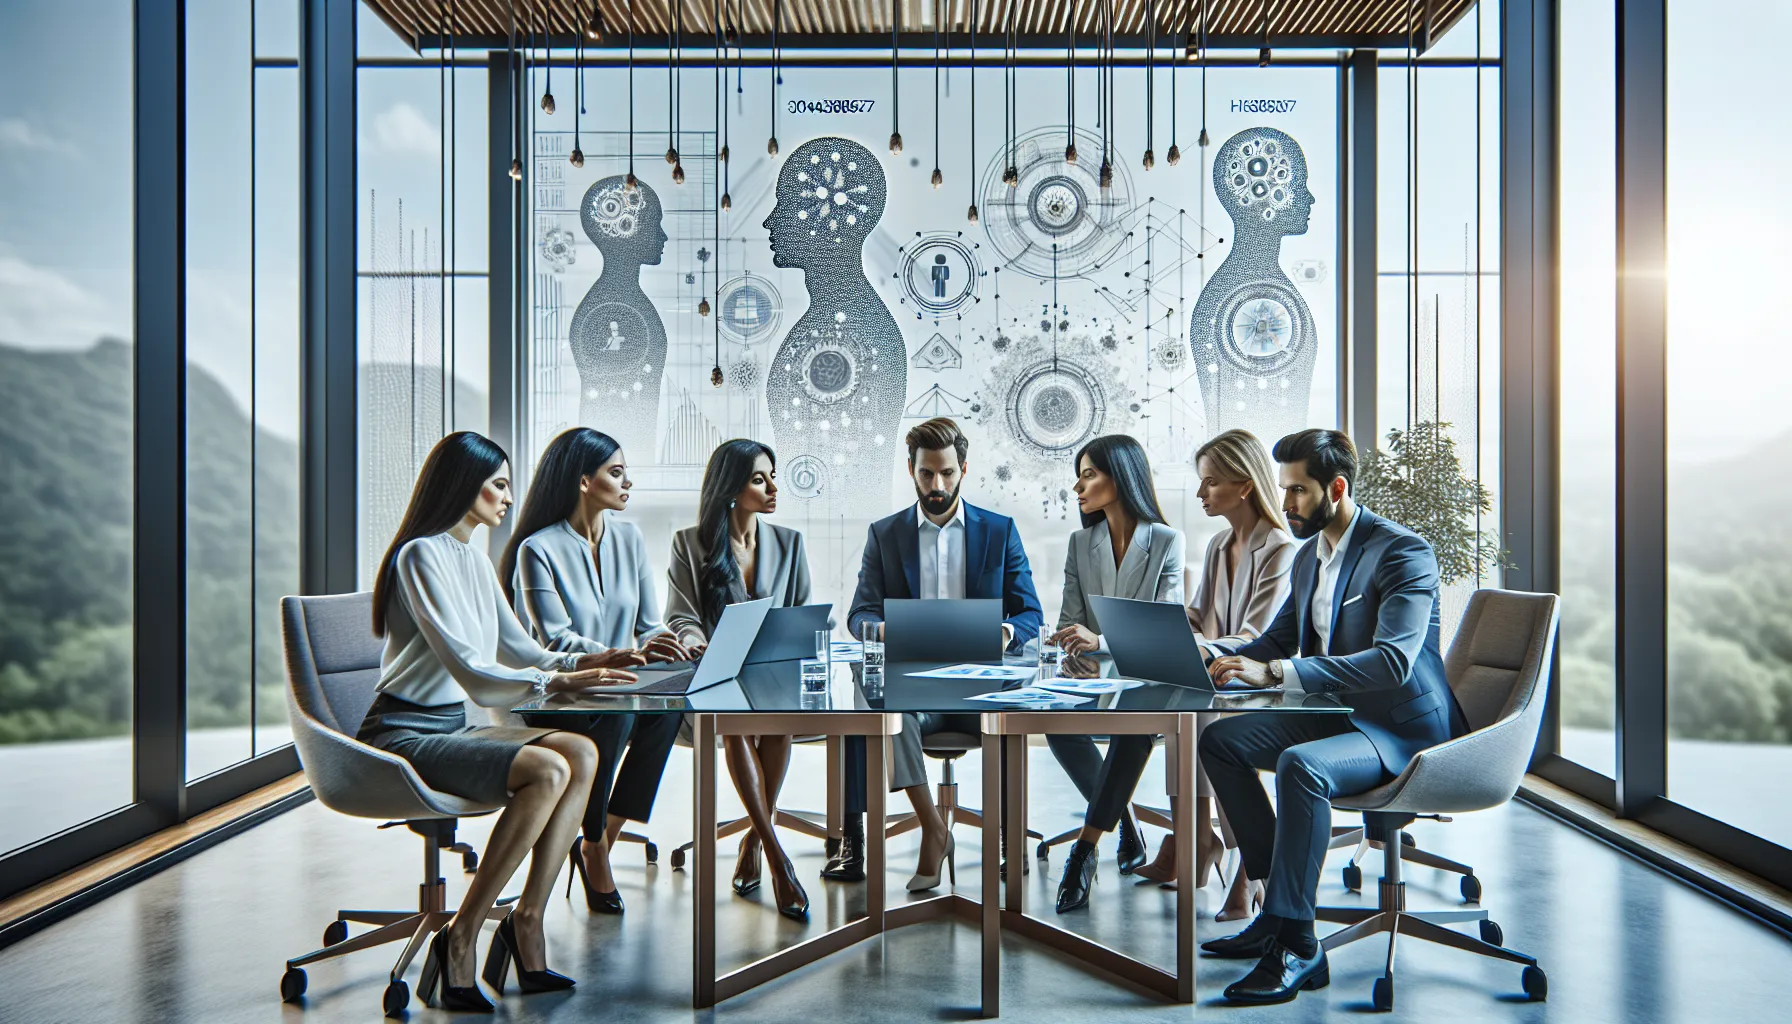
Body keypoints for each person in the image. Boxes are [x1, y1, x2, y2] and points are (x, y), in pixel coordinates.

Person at [359, 431, 635, 1011]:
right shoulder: (421, 555)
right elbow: (472, 670)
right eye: (499, 485)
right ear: (464, 486)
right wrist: (560, 682)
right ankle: (462, 932)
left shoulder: (474, 558)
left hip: (453, 726)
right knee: (547, 771)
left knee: (583, 754)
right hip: (403, 732)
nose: (510, 497)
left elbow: (520, 650)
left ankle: (525, 921)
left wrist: (586, 660)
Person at [1197, 429, 1467, 1006]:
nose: (1286, 503)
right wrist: (1214, 653)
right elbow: (1276, 640)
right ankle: (1278, 910)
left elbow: (1394, 661)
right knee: (1221, 742)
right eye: (1284, 489)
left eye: (1296, 491)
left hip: (1397, 728)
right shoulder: (1308, 558)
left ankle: (1298, 943)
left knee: (1301, 767)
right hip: (1335, 717)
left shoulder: (1401, 552)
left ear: (1336, 488)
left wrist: (1274, 676)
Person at [838, 417, 1044, 890]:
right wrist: (883, 630)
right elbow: (860, 613)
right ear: (911, 470)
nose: (937, 484)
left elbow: (1030, 611)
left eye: (947, 473)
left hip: (982, 688)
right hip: (916, 688)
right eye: (927, 474)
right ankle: (932, 825)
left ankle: (1010, 843)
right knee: (887, 709)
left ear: (964, 469)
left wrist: (1008, 634)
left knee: (1010, 717)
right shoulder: (885, 534)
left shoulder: (999, 531)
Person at [499, 427, 691, 916]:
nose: (628, 483)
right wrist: (615, 655)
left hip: (620, 683)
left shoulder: (628, 538)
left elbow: (648, 624)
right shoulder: (537, 549)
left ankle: (600, 835)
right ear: (584, 481)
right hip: (561, 692)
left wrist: (666, 641)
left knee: (669, 710)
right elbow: (554, 640)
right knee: (621, 715)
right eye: (617, 472)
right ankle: (593, 841)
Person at [1129, 429, 1297, 921]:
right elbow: (1199, 617)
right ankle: (1196, 840)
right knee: (1189, 711)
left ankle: (1241, 862)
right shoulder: (1220, 544)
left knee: (1207, 721)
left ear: (1244, 486)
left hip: (1258, 682)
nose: (1200, 493)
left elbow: (1257, 637)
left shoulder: (1280, 550)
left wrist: (1195, 649)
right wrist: (1154, 626)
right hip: (1216, 679)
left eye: (1210, 483)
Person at [665, 439, 815, 922]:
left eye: (772, 476)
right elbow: (680, 616)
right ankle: (777, 858)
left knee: (778, 720)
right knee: (736, 722)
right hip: (715, 680)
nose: (773, 487)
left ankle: (755, 838)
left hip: (773, 677)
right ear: (731, 488)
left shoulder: (789, 543)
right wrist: (695, 641)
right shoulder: (690, 544)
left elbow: (802, 615)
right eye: (759, 479)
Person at [1041, 435, 1185, 899]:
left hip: (1149, 685)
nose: (1078, 487)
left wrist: (1099, 639)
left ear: (1119, 477)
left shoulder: (1166, 542)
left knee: (1134, 728)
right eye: (1078, 476)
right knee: (1057, 726)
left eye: (1089, 474)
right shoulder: (1082, 543)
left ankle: (1084, 851)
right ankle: (1124, 820)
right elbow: (1069, 624)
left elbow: (1163, 629)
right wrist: (1072, 639)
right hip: (1091, 680)